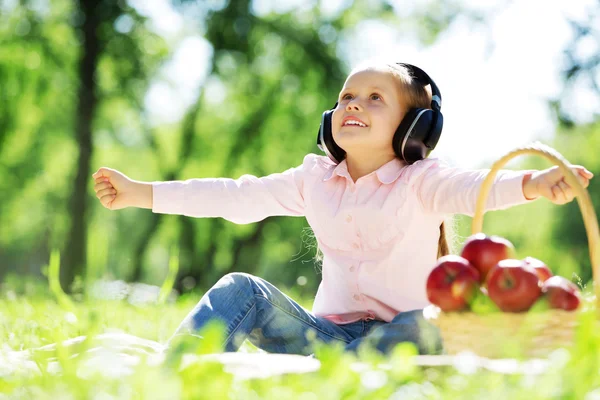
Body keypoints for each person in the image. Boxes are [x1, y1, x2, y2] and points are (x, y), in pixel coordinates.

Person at [91, 61, 593, 357]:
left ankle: (349, 375)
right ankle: (170, 374)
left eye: (375, 98)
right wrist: (142, 192)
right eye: (347, 96)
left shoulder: (422, 182)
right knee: (240, 289)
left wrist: (534, 182)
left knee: (429, 321)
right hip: (324, 338)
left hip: (402, 334)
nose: (353, 104)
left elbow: (475, 186)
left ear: (414, 128)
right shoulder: (314, 180)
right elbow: (235, 195)